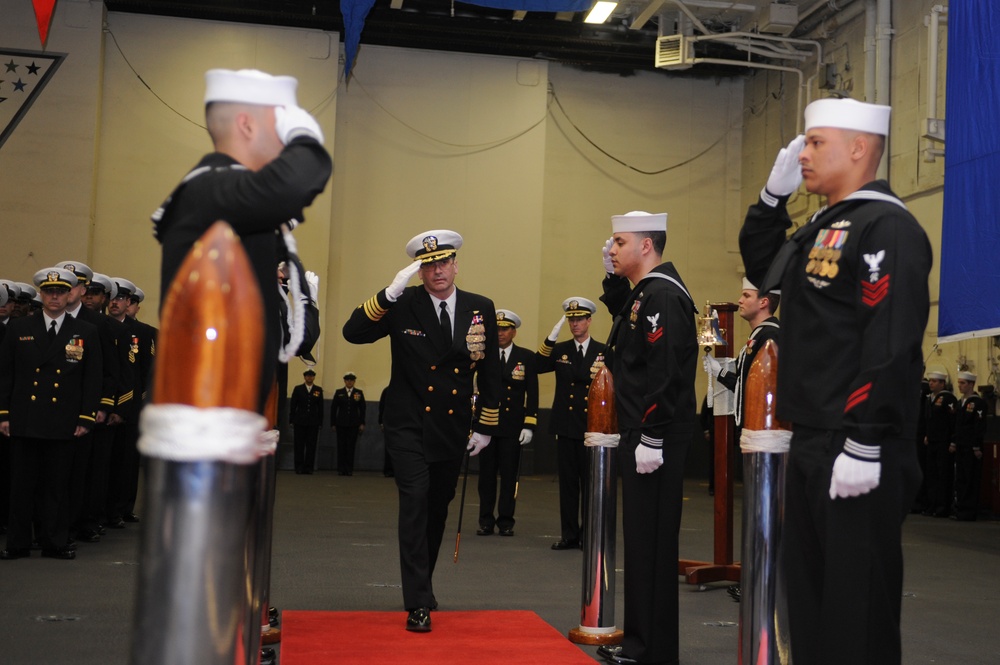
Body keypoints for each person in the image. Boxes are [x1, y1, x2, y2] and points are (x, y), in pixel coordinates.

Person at [739, 98, 931, 665]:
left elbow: (889, 340)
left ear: (859, 148)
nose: (804, 152)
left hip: (858, 444)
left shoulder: (886, 225)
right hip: (815, 439)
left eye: (816, 141)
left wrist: (865, 437)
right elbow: (764, 268)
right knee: (813, 604)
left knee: (857, 613)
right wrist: (772, 202)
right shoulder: (824, 224)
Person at [343, 229, 500, 632]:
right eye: (428, 265)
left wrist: (484, 424)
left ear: (455, 265)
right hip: (408, 422)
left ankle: (422, 584)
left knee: (437, 506)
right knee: (414, 500)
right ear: (419, 272)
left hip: (451, 426)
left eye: (443, 262)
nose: (437, 271)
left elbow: (492, 372)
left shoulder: (480, 308)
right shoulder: (403, 304)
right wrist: (387, 294)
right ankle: (417, 602)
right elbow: (353, 332)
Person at [152, 68, 332, 413]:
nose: (283, 144)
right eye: (278, 128)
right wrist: (302, 131)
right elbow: (296, 182)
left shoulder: (227, 199)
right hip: (205, 410)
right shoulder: (211, 187)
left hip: (227, 406)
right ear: (247, 125)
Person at [596, 210, 698, 665]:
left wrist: (652, 436)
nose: (611, 249)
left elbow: (665, 369)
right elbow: (627, 322)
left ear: (646, 246)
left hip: (654, 434)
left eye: (619, 242)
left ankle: (651, 652)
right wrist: (613, 279)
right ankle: (641, 644)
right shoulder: (646, 293)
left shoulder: (661, 294)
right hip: (642, 432)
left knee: (651, 546)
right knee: (641, 545)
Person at [0, 268, 103, 560]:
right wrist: (3, 414)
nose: (54, 297)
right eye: (48, 292)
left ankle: (54, 541)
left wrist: (86, 418)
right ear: (41, 295)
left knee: (56, 487)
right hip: (24, 419)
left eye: (60, 292)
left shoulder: (85, 331)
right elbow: (5, 375)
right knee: (21, 486)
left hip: (64, 421)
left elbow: (92, 380)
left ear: (70, 294)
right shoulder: (19, 328)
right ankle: (18, 543)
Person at [535, 297, 606, 550]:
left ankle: (588, 534)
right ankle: (569, 534)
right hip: (565, 425)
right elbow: (537, 365)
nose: (575, 324)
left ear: (589, 320)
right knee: (567, 485)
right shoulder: (560, 350)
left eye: (579, 319)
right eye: (571, 320)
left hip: (591, 426)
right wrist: (550, 339)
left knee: (589, 485)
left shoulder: (603, 351)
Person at [477, 309, 538, 537]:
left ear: (514, 331)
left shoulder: (526, 357)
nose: (500, 333)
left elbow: (532, 393)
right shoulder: (484, 355)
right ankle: (485, 520)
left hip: (513, 427)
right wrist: (475, 425)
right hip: (487, 424)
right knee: (486, 477)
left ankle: (505, 521)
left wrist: (529, 424)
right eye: (498, 328)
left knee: (510, 476)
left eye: (505, 329)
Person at [950, 371, 986, 521]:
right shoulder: (960, 403)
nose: (960, 386)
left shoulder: (978, 403)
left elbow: (979, 426)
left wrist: (976, 446)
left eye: (963, 383)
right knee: (961, 478)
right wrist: (954, 441)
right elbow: (956, 425)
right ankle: (961, 508)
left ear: (971, 384)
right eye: (959, 383)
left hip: (971, 447)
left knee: (971, 478)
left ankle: (969, 511)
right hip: (961, 445)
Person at [923, 370, 957, 517]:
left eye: (935, 381)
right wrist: (927, 435)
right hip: (932, 441)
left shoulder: (948, 399)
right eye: (930, 380)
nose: (931, 383)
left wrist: (952, 441)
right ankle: (932, 505)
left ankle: (943, 507)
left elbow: (952, 422)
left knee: (943, 475)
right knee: (932, 474)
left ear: (942, 383)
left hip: (943, 442)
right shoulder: (930, 398)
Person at [331, 372, 366, 476]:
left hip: (354, 424)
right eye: (347, 380)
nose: (349, 382)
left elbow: (362, 409)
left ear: (354, 381)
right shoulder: (339, 392)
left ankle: (349, 469)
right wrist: (333, 423)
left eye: (351, 380)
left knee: (351, 447)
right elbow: (333, 409)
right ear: (344, 381)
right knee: (341, 447)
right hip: (341, 424)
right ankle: (341, 469)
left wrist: (362, 423)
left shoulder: (359, 393)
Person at [289, 369, 324, 474]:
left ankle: (309, 467)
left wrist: (320, 422)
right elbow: (293, 405)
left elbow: (320, 407)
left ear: (314, 377)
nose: (309, 378)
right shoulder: (298, 389)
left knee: (311, 446)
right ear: (304, 377)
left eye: (311, 376)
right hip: (300, 421)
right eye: (308, 376)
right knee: (299, 445)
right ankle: (299, 467)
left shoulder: (318, 390)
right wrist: (292, 420)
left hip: (313, 422)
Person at [378, 386, 394, 477]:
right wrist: (381, 422)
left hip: (402, 423)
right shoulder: (387, 391)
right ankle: (388, 470)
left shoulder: (404, 390)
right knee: (389, 448)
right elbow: (382, 407)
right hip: (389, 423)